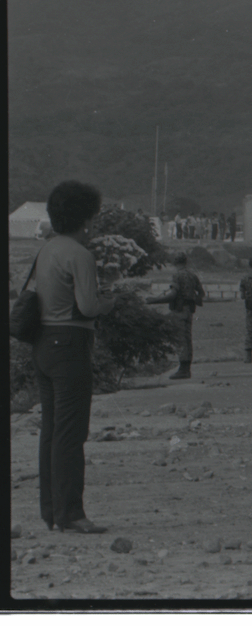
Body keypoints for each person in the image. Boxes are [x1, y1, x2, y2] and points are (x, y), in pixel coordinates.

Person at [32, 181, 117, 533]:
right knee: (71, 433)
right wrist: (111, 302)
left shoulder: (47, 250)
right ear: (85, 220)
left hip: (43, 344)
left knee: (51, 431)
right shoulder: (81, 255)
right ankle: (72, 513)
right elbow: (87, 306)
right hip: (70, 345)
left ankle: (52, 511)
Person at [145, 252, 205, 379]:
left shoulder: (177, 276)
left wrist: (154, 300)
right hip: (189, 310)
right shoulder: (192, 275)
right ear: (186, 262)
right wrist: (194, 299)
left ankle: (183, 369)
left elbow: (173, 295)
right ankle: (186, 368)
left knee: (180, 340)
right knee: (187, 339)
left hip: (178, 310)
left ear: (175, 263)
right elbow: (201, 293)